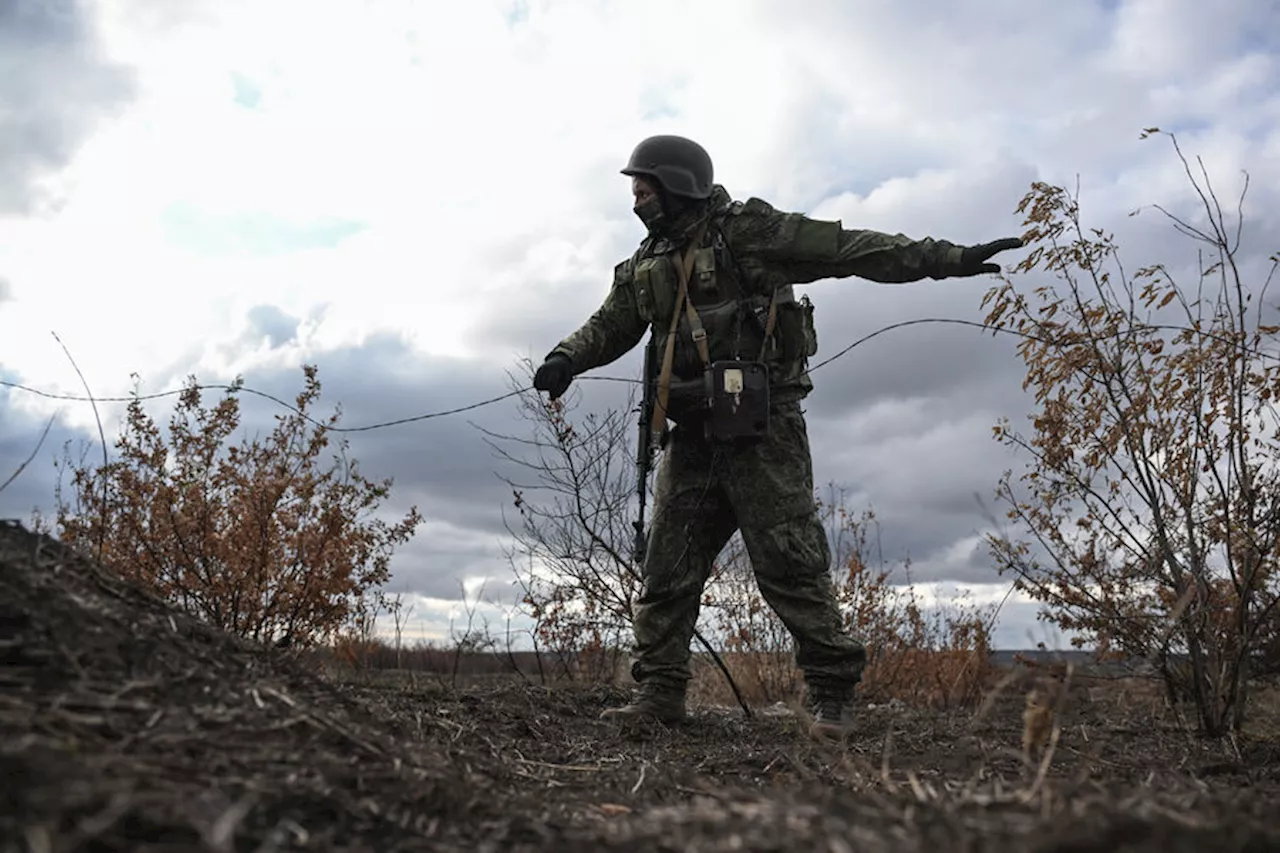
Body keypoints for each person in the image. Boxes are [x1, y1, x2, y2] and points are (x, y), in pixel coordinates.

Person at [531, 134, 1022, 738]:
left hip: (761, 431)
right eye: (634, 190)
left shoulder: (749, 232)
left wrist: (947, 259)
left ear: (679, 183)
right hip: (691, 434)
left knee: (790, 564)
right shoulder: (644, 262)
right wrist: (565, 359)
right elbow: (611, 324)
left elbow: (850, 249)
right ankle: (659, 694)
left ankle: (832, 694)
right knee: (667, 570)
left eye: (646, 187)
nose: (637, 199)